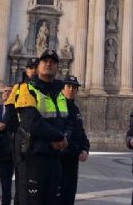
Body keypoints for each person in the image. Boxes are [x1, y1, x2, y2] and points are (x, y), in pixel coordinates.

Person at [14, 49, 71, 205]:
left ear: (57, 68)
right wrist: (59, 137)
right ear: (38, 66)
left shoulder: (60, 94)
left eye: (53, 62)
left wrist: (65, 137)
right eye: (45, 61)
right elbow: (31, 121)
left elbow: (68, 121)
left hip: (54, 158)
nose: (48, 64)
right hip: (33, 157)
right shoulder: (26, 89)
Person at [4, 57, 39, 205]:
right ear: (26, 70)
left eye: (36, 67)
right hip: (22, 139)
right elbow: (10, 113)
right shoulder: (18, 88)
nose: (33, 70)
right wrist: (16, 134)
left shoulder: (44, 89)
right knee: (22, 181)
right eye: (31, 68)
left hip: (38, 139)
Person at [59, 74, 90, 205]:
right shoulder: (58, 106)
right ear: (62, 88)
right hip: (61, 159)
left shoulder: (75, 108)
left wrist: (85, 148)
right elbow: (62, 134)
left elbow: (80, 131)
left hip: (72, 160)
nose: (71, 90)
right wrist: (78, 151)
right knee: (59, 196)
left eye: (74, 87)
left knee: (70, 194)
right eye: (68, 86)